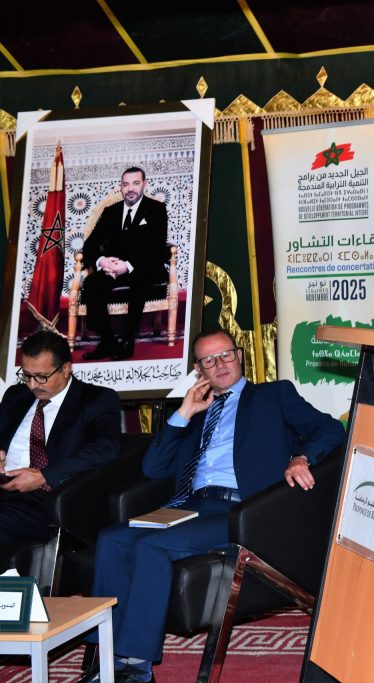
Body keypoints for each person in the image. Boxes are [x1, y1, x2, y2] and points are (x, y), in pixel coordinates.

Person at [79, 328, 346, 683]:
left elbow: (331, 429)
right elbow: (154, 468)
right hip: (190, 506)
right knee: (112, 539)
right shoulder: (195, 413)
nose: (220, 364)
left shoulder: (273, 396)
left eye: (226, 355)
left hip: (242, 511)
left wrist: (301, 457)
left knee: (151, 545)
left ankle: (137, 667)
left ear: (240, 356)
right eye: (209, 360)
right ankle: (108, 656)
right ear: (198, 370)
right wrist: (184, 412)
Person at [0, 329, 121, 550]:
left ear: (66, 368)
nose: (33, 385)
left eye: (41, 377)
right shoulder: (16, 396)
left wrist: (44, 476)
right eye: (27, 376)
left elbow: (106, 448)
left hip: (45, 500)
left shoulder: (96, 399)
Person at [82, 166, 169, 361]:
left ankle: (128, 340)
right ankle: (107, 341)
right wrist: (102, 261)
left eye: (135, 183)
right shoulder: (110, 212)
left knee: (139, 280)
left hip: (145, 267)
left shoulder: (156, 209)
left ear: (145, 185)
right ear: (120, 187)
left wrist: (127, 265)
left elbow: (156, 248)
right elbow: (90, 245)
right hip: (114, 269)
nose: (130, 189)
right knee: (91, 283)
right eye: (126, 184)